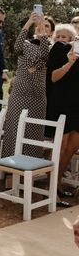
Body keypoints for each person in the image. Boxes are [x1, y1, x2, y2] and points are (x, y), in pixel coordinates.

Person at [1, 12, 51, 161]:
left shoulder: (50, 47)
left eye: (46, 26)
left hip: (37, 97)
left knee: (33, 132)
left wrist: (42, 33)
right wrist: (29, 22)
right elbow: (16, 47)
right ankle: (10, 165)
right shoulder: (26, 44)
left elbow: (45, 55)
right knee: (14, 129)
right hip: (19, 94)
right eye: (39, 25)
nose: (40, 27)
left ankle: (28, 166)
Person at [46, 23, 79, 203]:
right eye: (58, 36)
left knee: (72, 147)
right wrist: (69, 62)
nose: (60, 39)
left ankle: (57, 183)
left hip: (77, 105)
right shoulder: (59, 50)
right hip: (62, 103)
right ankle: (51, 190)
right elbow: (53, 77)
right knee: (60, 147)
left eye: (65, 36)